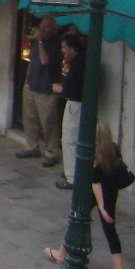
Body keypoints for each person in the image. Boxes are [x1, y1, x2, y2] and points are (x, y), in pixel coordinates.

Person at [45, 122, 131, 269]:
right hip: (111, 191)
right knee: (110, 230)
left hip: (95, 193)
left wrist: (101, 207)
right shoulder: (113, 148)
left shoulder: (94, 154)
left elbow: (95, 183)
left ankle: (61, 253)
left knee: (77, 217)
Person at [16, 19, 64, 169]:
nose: (42, 30)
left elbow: (44, 61)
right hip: (32, 85)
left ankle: (52, 152)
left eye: (46, 27)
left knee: (48, 122)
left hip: (46, 89)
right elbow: (32, 61)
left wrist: (41, 43)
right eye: (41, 26)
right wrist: (27, 80)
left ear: (54, 29)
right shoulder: (37, 42)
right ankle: (32, 146)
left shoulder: (57, 45)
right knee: (29, 118)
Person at [53, 31, 86, 191]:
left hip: (75, 104)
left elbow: (74, 89)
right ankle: (71, 171)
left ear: (73, 49)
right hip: (78, 104)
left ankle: (71, 176)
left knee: (69, 139)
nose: (62, 50)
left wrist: (61, 89)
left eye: (64, 47)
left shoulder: (78, 64)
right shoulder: (81, 61)